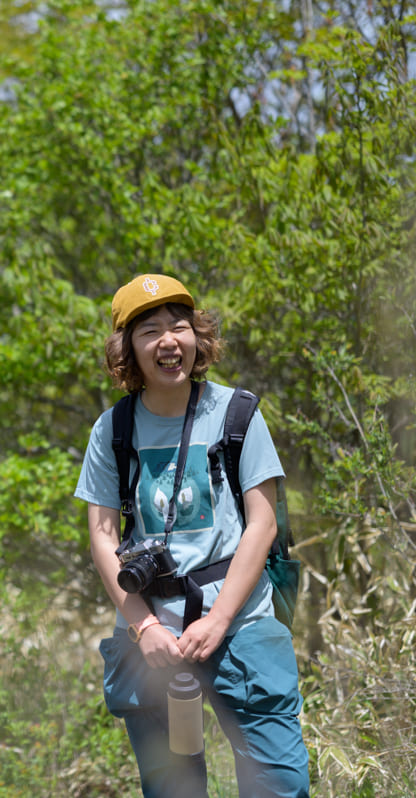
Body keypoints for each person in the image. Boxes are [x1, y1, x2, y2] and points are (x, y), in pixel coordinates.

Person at [74, 275, 309, 797]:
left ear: (197, 338)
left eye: (179, 326)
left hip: (241, 625)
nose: (168, 341)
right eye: (149, 331)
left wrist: (220, 618)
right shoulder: (112, 429)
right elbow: (101, 533)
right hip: (152, 634)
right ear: (128, 352)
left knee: (280, 784)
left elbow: (262, 523)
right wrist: (144, 628)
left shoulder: (237, 413)